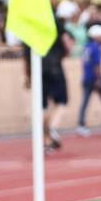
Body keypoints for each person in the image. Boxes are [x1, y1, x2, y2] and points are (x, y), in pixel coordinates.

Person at [23, 14, 72, 151]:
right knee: (62, 101)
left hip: (38, 68)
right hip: (54, 66)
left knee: (42, 105)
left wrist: (28, 74)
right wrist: (65, 52)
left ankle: (46, 138)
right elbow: (66, 41)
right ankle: (50, 129)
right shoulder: (53, 19)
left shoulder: (29, 21)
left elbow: (25, 52)